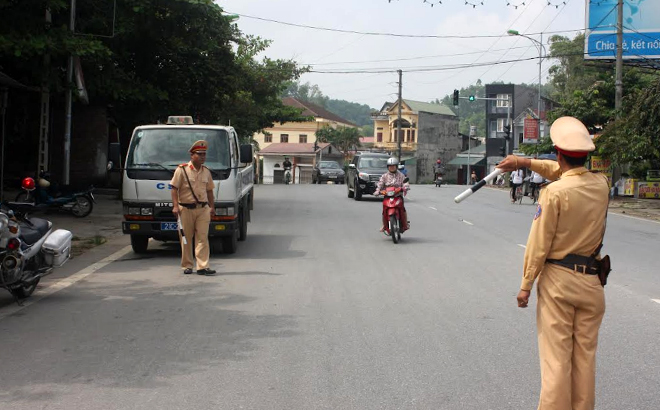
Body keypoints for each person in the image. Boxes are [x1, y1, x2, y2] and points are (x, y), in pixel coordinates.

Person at [496, 116, 609, 410]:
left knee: (556, 360)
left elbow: (539, 244)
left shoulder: (554, 193)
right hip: (592, 284)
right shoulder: (602, 185)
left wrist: (525, 285)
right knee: (585, 359)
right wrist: (524, 162)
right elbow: (564, 171)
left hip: (559, 282)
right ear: (586, 154)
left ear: (558, 153)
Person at [170, 140, 216, 275]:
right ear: (192, 155)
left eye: (204, 154)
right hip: (185, 209)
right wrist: (175, 207)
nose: (203, 157)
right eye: (199, 154)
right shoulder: (182, 170)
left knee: (202, 237)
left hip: (202, 209)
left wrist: (212, 207)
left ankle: (202, 266)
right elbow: (174, 188)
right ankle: (187, 265)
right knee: (186, 238)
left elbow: (209, 191)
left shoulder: (206, 171)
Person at [374, 157, 409, 232]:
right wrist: (377, 191)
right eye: (390, 166)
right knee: (384, 211)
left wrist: (405, 187)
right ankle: (384, 225)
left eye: (393, 166)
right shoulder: (384, 176)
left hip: (398, 195)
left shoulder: (401, 175)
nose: (392, 168)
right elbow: (380, 184)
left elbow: (405, 182)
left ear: (396, 166)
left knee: (403, 209)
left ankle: (405, 223)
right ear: (388, 167)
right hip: (387, 196)